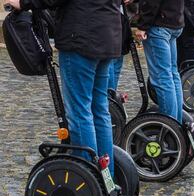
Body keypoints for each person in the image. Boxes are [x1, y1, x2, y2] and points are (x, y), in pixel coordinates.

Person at [5, 0, 124, 177]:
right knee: (99, 110)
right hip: (108, 33)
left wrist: (23, 3)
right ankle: (107, 177)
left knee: (80, 112)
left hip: (81, 37)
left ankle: (88, 176)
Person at [133, 0, 185, 124]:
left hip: (160, 24)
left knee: (163, 79)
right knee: (172, 74)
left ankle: (170, 126)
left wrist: (142, 25)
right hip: (174, 19)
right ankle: (177, 123)